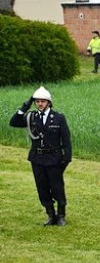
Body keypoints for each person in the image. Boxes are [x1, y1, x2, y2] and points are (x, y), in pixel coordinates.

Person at [9, 87, 72, 226]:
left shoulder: (58, 118)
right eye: (37, 101)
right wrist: (25, 106)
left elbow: (66, 140)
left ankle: (61, 215)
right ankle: (50, 215)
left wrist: (66, 158)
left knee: (57, 188)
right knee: (42, 187)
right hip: (37, 158)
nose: (40, 104)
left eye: (43, 101)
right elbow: (13, 122)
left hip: (54, 158)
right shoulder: (31, 117)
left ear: (49, 102)